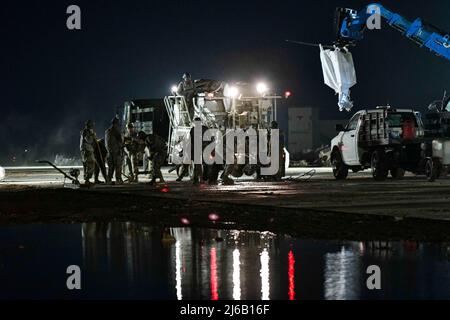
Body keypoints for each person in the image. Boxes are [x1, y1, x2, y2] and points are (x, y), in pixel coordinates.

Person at [189, 118, 209, 185]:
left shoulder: (203, 129)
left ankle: (200, 178)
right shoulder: (193, 130)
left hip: (203, 148)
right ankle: (198, 179)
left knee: (203, 165)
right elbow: (191, 141)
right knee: (198, 165)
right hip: (198, 148)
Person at [105, 117, 124, 184]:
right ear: (116, 124)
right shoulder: (116, 131)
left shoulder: (107, 131)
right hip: (116, 152)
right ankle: (118, 179)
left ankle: (108, 179)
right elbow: (120, 142)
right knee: (118, 166)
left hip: (109, 152)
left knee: (111, 167)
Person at [80, 120, 97, 185]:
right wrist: (93, 136)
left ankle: (87, 180)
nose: (93, 126)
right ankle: (87, 179)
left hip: (87, 150)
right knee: (91, 163)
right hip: (87, 150)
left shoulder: (86, 131)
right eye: (92, 125)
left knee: (87, 165)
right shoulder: (86, 132)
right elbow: (89, 140)